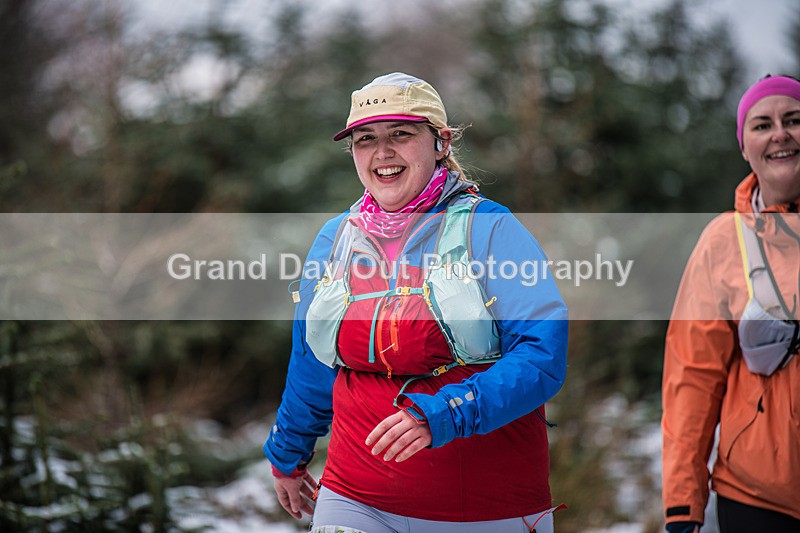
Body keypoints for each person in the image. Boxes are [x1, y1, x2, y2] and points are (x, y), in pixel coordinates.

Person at [263, 72, 569, 533]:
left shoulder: (491, 231)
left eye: (401, 135)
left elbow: (542, 356)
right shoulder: (335, 240)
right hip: (354, 499)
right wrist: (288, 452)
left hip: (486, 508)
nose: (382, 153)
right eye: (365, 139)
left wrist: (447, 411)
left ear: (441, 142)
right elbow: (312, 359)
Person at [662, 75, 800, 533]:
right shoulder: (723, 242)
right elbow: (692, 378)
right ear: (745, 146)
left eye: (794, 120)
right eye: (762, 125)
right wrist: (683, 502)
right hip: (757, 501)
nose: (780, 133)